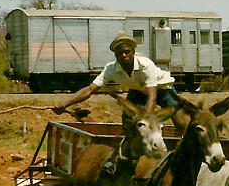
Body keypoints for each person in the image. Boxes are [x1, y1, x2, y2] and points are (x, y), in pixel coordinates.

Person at [52, 33, 187, 130]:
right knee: (128, 121)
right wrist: (65, 104)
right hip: (138, 90)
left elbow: (152, 97)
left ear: (133, 52)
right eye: (119, 53)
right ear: (115, 55)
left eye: (127, 52)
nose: (123, 55)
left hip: (162, 89)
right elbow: (89, 89)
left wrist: (146, 118)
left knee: (181, 123)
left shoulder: (146, 65)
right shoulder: (111, 69)